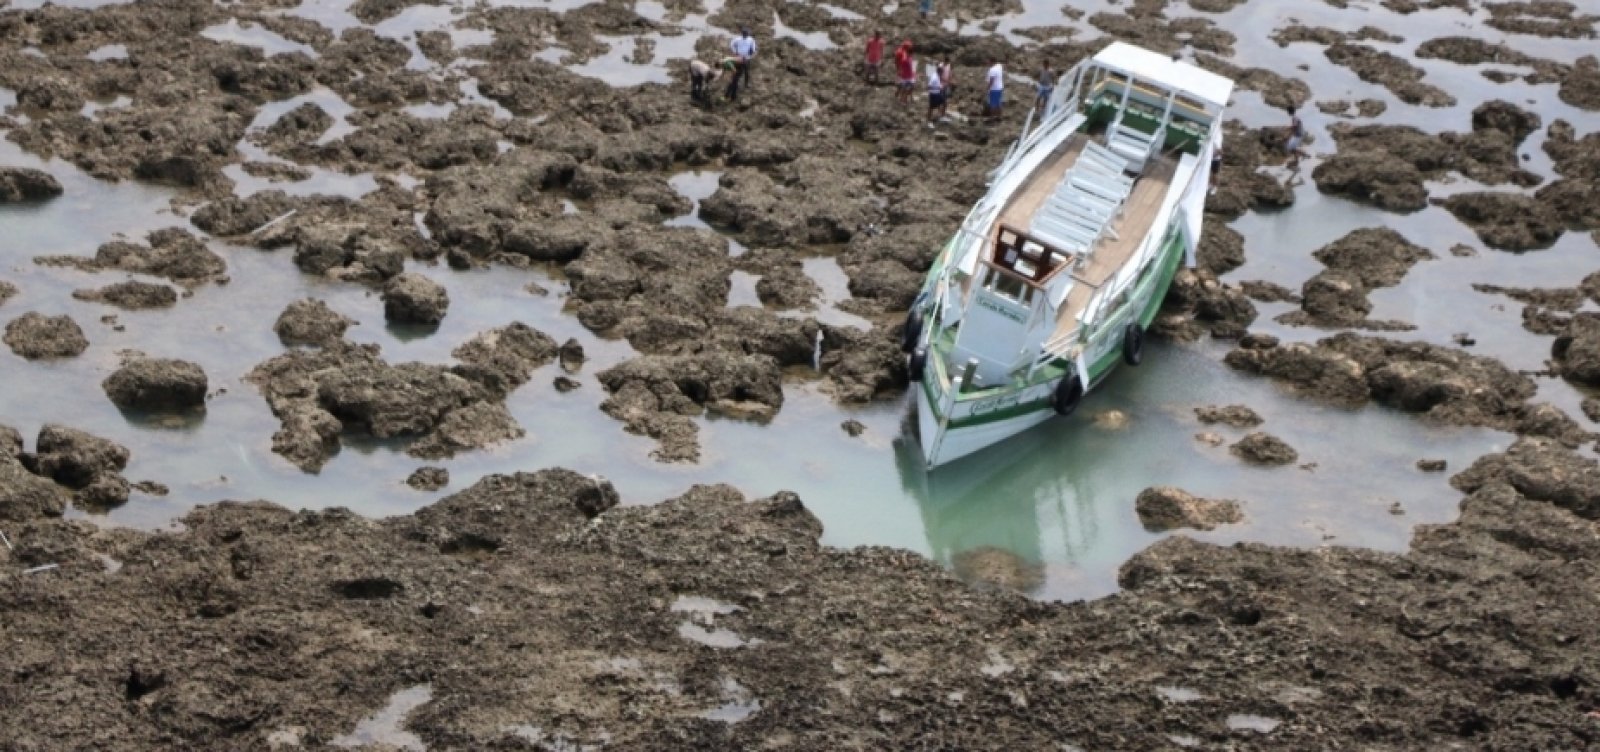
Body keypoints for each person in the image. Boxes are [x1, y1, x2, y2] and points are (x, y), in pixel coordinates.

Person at [895, 40, 915, 105]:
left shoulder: (905, 53)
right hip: (903, 73)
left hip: (905, 73)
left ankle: (906, 98)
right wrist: (899, 70)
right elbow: (898, 62)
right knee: (902, 87)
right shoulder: (901, 53)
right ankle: (901, 98)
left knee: (905, 87)